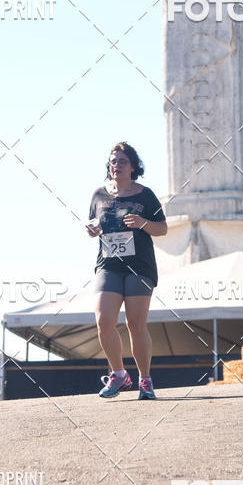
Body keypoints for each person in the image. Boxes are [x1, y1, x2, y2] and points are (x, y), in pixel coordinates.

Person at [86, 142, 167, 400]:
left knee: (135, 324)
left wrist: (143, 223)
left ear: (133, 167)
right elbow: (94, 223)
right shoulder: (99, 195)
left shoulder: (145, 195)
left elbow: (162, 228)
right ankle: (119, 375)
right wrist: (92, 229)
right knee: (103, 321)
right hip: (109, 264)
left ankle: (145, 380)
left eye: (122, 161)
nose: (116, 165)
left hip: (139, 266)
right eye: (113, 161)